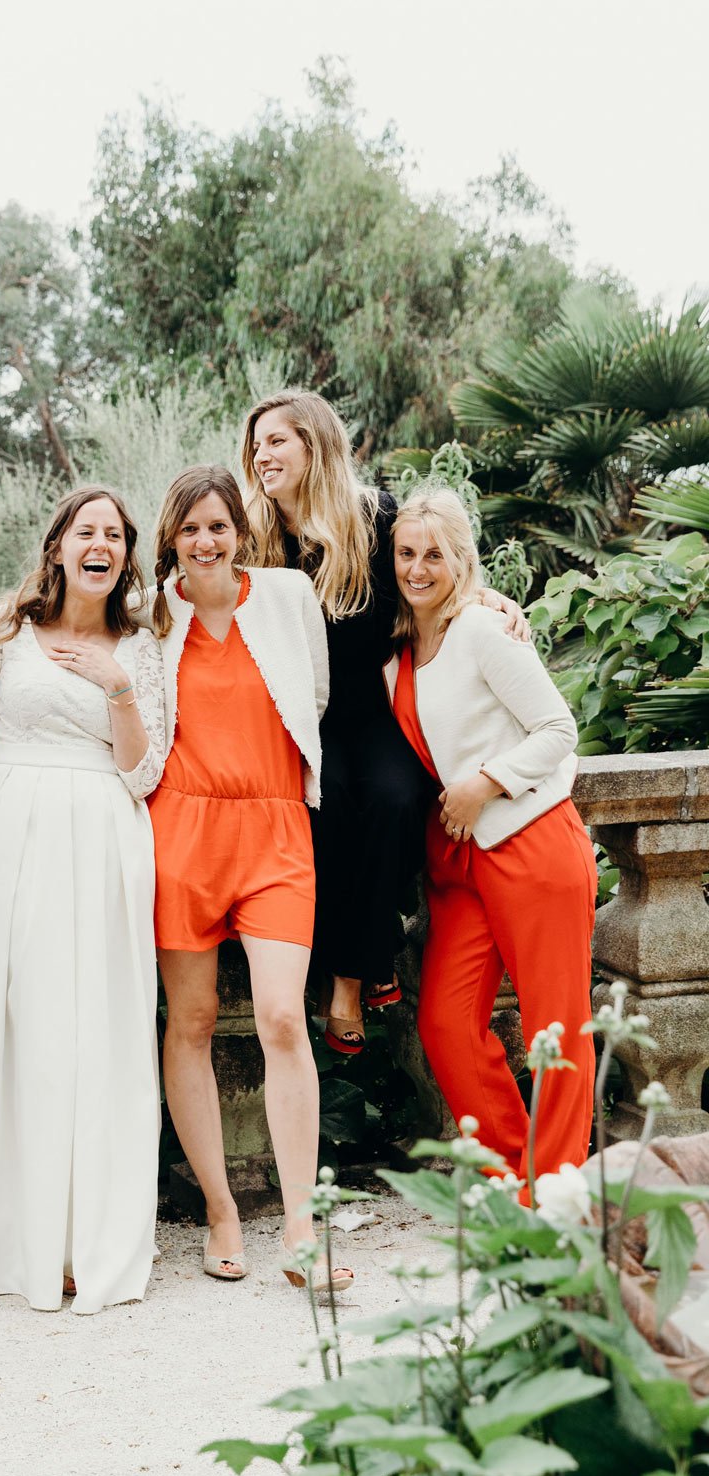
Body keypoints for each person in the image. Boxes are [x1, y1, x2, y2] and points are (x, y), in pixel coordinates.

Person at [0, 486, 166, 1315]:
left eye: (114, 534)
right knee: (13, 1021)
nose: (99, 543)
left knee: (96, 1028)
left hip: (102, 838)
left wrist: (118, 688)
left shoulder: (141, 647)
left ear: (125, 556)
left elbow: (143, 772)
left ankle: (82, 1240)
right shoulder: (2, 634)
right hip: (12, 833)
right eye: (85, 531)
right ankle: (9, 1236)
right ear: (58, 546)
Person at [243, 390, 528, 1057]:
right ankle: (352, 971)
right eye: (255, 444)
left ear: (315, 444)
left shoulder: (373, 515)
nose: (261, 454)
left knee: (399, 799)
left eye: (276, 440)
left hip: (374, 707)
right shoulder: (253, 532)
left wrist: (482, 595)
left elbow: (428, 567)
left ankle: (351, 972)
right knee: (329, 802)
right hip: (298, 718)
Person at [148, 465, 350, 1291]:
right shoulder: (150, 614)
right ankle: (221, 1211)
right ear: (172, 537)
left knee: (280, 1018)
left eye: (219, 526)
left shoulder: (290, 596)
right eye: (191, 528)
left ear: (242, 532)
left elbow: (318, 696)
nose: (205, 541)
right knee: (190, 1021)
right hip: (182, 829)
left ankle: (301, 1226)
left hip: (275, 826)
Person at [387, 487, 596, 1183]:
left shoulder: (481, 629)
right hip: (456, 864)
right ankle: (512, 1170)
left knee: (555, 1027)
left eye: (435, 556)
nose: (418, 569)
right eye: (406, 553)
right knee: (446, 1024)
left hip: (531, 843)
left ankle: (559, 1185)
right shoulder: (399, 645)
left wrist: (488, 781)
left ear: (461, 560)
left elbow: (559, 729)